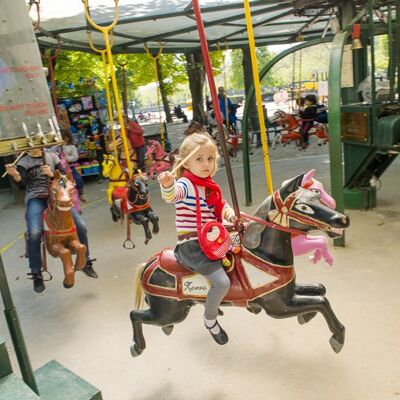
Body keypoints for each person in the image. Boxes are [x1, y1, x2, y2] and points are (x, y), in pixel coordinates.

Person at [157, 123, 236, 345]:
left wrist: (232, 217)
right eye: (199, 159)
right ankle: (210, 320)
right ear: (186, 162)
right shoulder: (185, 184)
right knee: (222, 283)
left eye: (210, 158)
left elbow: (220, 206)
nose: (206, 164)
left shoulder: (208, 185)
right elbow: (172, 196)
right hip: (193, 245)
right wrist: (167, 185)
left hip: (211, 238)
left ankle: (213, 298)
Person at [5, 148, 98, 293]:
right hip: (36, 198)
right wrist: (16, 175)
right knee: (35, 232)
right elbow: (22, 185)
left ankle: (86, 261)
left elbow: (65, 178)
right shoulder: (23, 161)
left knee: (81, 225)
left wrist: (53, 175)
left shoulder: (52, 157)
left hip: (57, 197)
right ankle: (36, 272)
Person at [59, 129, 86, 202]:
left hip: (69, 167)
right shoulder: (57, 147)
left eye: (65, 138)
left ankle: (81, 192)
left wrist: (67, 159)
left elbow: (75, 157)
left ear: (68, 137)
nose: (64, 140)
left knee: (78, 178)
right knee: (61, 182)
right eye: (62, 138)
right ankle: (63, 196)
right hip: (60, 168)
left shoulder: (71, 147)